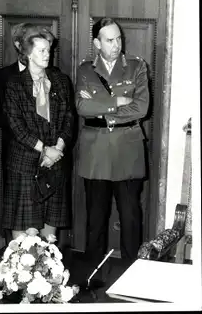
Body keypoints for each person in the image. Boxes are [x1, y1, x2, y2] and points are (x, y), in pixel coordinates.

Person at [76, 17, 149, 270]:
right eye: (109, 40)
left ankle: (132, 271)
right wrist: (117, 102)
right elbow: (82, 107)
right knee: (96, 218)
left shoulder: (137, 67)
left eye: (119, 38)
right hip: (95, 152)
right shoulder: (85, 70)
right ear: (97, 43)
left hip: (128, 148)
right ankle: (92, 272)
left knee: (130, 216)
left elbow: (141, 108)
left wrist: (103, 110)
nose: (116, 45)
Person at [3, 27, 75, 242]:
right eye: (42, 50)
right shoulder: (14, 84)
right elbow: (17, 127)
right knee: (22, 233)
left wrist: (58, 150)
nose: (47, 55)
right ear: (28, 54)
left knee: (48, 235)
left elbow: (69, 119)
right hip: (25, 165)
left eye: (49, 50)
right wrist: (44, 150)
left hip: (53, 163)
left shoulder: (61, 81)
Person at [0, 23, 40, 245]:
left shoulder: (53, 75)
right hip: (16, 153)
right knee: (15, 211)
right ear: (17, 45)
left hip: (45, 155)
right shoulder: (3, 77)